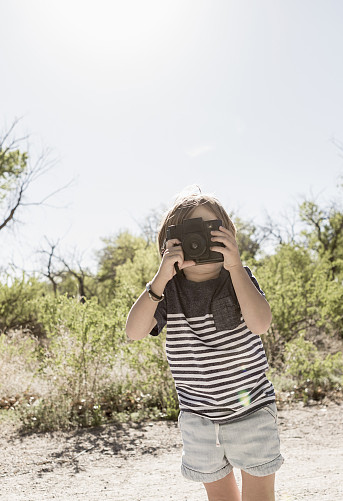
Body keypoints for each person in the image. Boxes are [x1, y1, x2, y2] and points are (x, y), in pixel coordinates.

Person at [126, 190, 283, 501]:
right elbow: (134, 331)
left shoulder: (237, 277)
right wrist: (160, 277)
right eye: (190, 233)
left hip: (251, 410)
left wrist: (236, 268)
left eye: (210, 231)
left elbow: (260, 324)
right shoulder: (167, 289)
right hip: (199, 420)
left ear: (228, 235)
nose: (199, 241)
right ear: (169, 242)